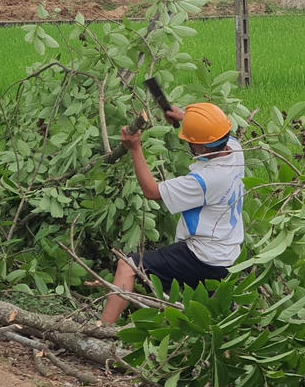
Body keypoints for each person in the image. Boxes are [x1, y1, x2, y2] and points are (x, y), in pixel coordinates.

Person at [99, 102, 245, 325]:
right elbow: (210, 131)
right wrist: (184, 118)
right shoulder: (235, 150)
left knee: (128, 266)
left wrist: (135, 149)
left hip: (203, 257)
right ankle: (213, 308)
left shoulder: (206, 180)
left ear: (202, 148)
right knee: (180, 291)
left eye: (191, 142)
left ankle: (101, 330)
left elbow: (151, 191)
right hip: (228, 253)